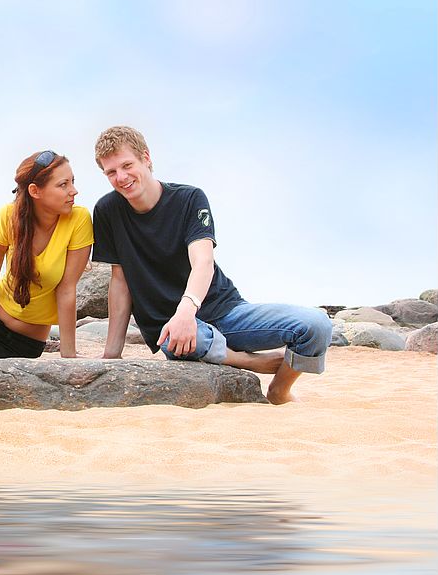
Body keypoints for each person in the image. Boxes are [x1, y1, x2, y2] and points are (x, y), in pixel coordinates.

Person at [91, 126, 332, 404]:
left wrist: (186, 310)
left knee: (317, 325)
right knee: (172, 340)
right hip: (172, 329)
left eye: (127, 165)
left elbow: (203, 261)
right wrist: (112, 353)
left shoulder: (189, 199)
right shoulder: (107, 211)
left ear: (146, 158)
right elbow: (120, 282)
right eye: (111, 172)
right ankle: (246, 361)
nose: (121, 177)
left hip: (225, 312)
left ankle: (279, 389)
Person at [0, 150, 93, 359]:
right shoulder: (7, 216)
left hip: (25, 344)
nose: (74, 191)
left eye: (72, 181)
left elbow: (66, 290)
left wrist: (69, 356)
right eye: (63, 185)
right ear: (35, 191)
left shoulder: (79, 220)